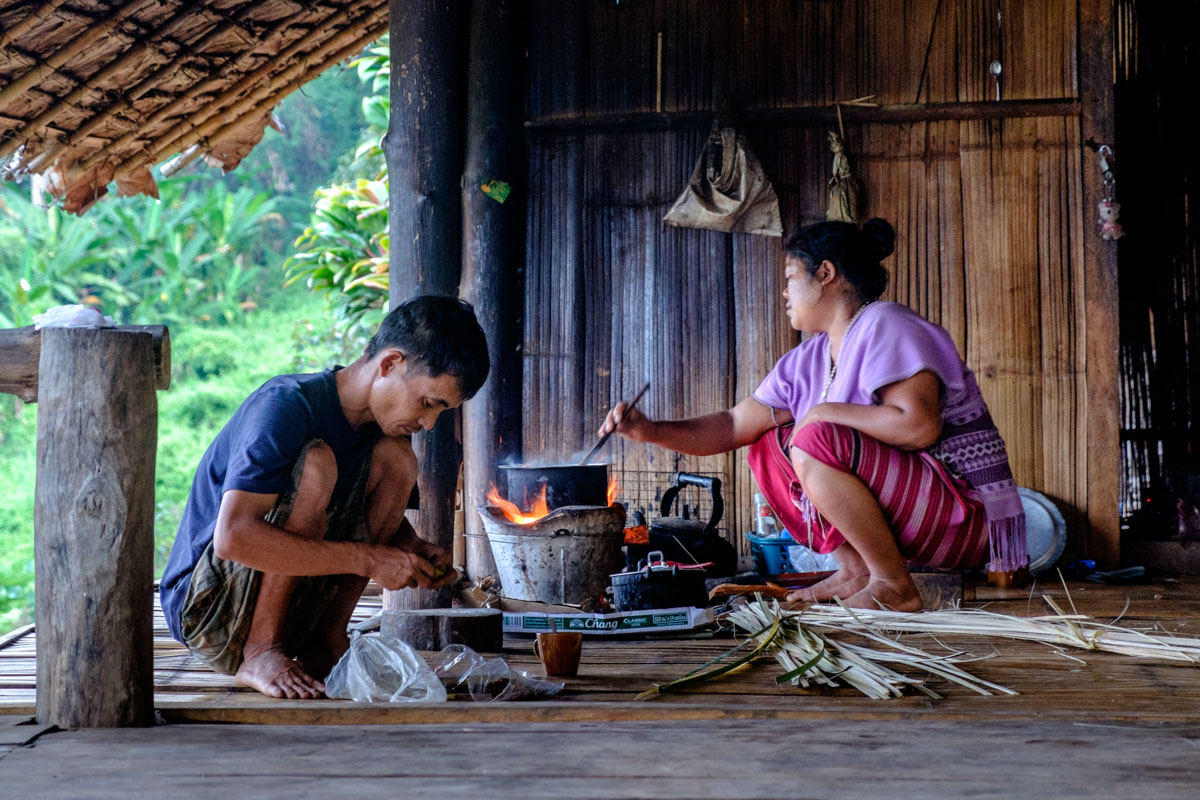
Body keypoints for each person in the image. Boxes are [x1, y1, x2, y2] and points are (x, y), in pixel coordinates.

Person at [599, 219, 1025, 611]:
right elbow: (732, 426)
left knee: (816, 434)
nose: (784, 293)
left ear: (824, 273)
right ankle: (858, 569)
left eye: (789, 279)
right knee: (766, 445)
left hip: (962, 517)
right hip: (914, 513)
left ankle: (894, 584)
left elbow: (918, 426)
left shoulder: (885, 323)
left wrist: (822, 412)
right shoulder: (807, 360)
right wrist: (649, 429)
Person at [159, 295, 490, 698]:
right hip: (208, 611)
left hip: (292, 611)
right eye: (427, 403)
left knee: (398, 461)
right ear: (389, 364)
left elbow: (345, 514)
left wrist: (409, 549)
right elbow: (233, 538)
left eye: (441, 412)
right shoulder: (287, 404)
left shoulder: (380, 432)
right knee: (318, 463)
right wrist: (369, 558)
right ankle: (262, 649)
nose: (428, 423)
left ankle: (325, 642)